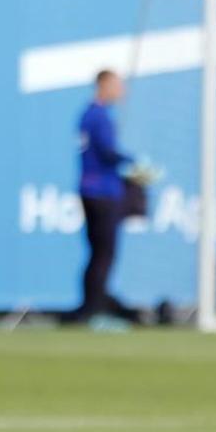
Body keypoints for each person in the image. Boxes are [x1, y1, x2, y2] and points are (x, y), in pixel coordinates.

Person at [70, 69, 136, 326]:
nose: (121, 91)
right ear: (104, 85)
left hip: (88, 189)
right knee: (105, 253)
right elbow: (108, 152)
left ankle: (88, 308)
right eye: (117, 85)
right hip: (102, 192)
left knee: (96, 252)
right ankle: (94, 311)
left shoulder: (87, 114)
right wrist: (133, 163)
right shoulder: (100, 117)